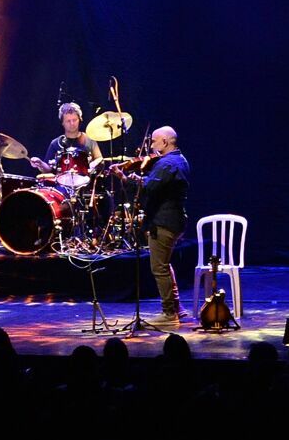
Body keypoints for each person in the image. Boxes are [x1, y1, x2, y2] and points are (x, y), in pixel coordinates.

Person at [113, 126, 190, 324]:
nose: (151, 145)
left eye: (154, 141)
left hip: (164, 221)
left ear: (165, 142)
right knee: (164, 264)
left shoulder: (167, 164)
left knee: (159, 268)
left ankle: (168, 314)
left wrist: (125, 177)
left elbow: (149, 187)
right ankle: (177, 308)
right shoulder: (179, 160)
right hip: (174, 220)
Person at [31, 101, 103, 177]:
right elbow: (48, 169)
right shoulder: (56, 143)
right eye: (68, 121)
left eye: (74, 120)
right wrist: (40, 164)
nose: (72, 124)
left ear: (80, 119)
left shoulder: (88, 139)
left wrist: (91, 165)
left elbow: (99, 158)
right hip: (61, 185)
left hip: (86, 183)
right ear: (62, 122)